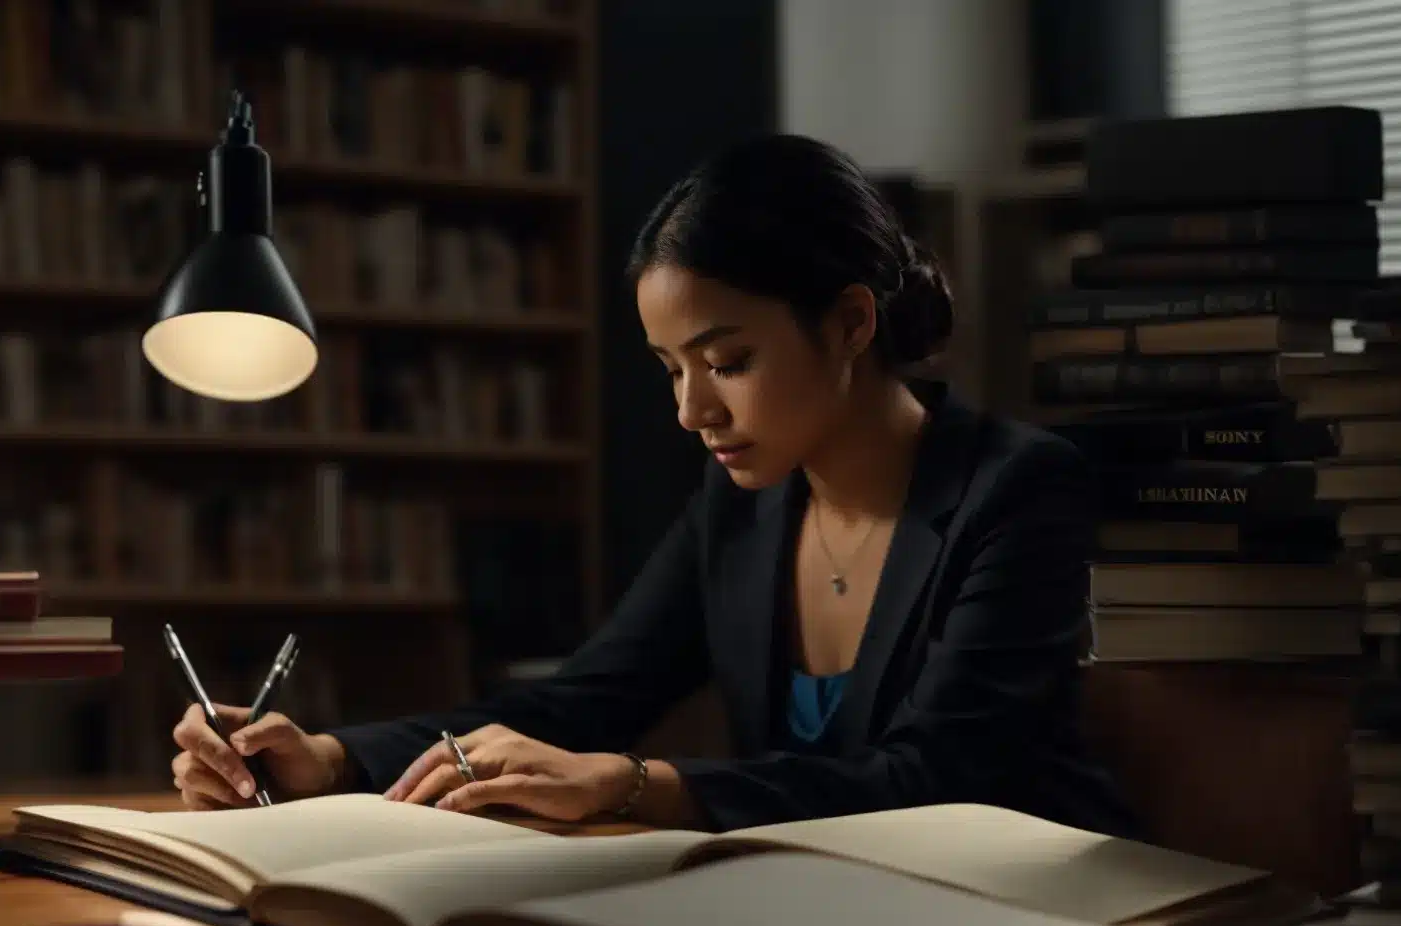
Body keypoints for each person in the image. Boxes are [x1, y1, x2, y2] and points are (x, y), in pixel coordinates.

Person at [170, 133, 1140, 837]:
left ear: (849, 323)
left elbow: (943, 778)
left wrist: (634, 787)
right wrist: (330, 759)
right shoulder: (745, 504)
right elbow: (579, 704)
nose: (691, 412)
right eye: (670, 368)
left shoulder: (1014, 491)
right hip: (824, 907)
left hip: (1027, 914)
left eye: (726, 360)